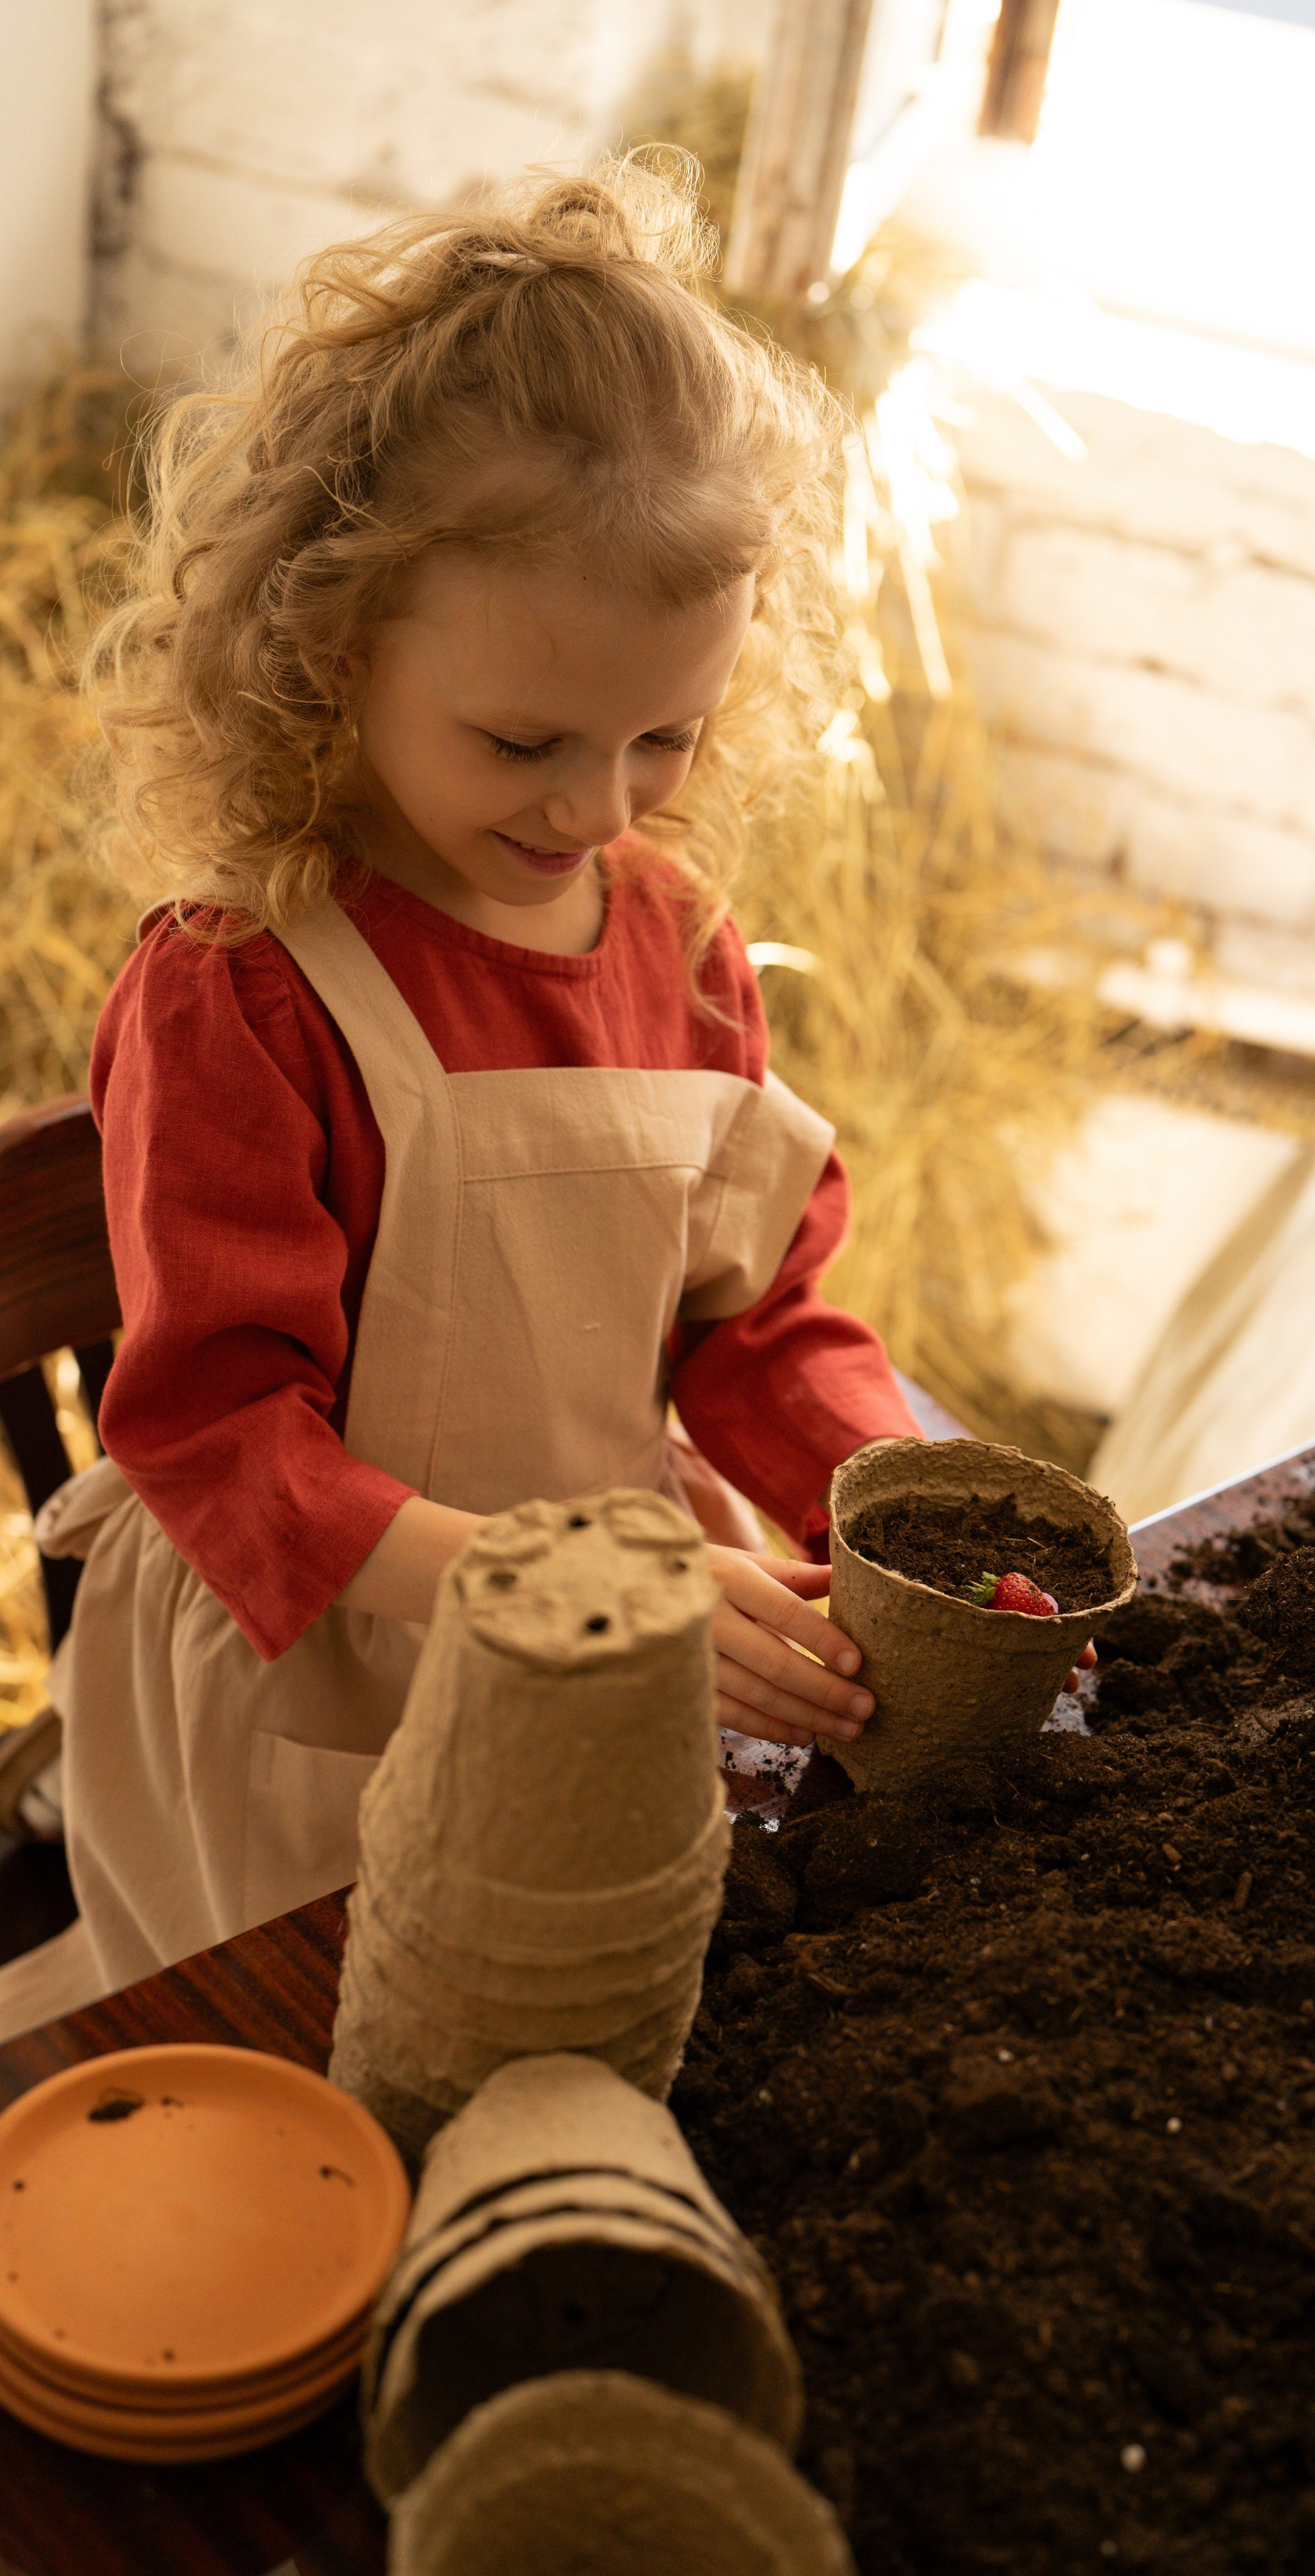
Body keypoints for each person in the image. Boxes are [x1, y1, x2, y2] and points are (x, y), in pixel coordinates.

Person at [36, 156, 925, 2000]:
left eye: (664, 737)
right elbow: (223, 1445)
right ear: (333, 645)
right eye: (526, 741)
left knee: (609, 2004)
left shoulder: (667, 943)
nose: (600, 810)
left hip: (616, 1642)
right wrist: (586, 1594)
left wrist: (905, 1498)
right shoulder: (250, 995)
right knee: (377, 2050)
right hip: (316, 1687)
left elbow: (752, 1325)